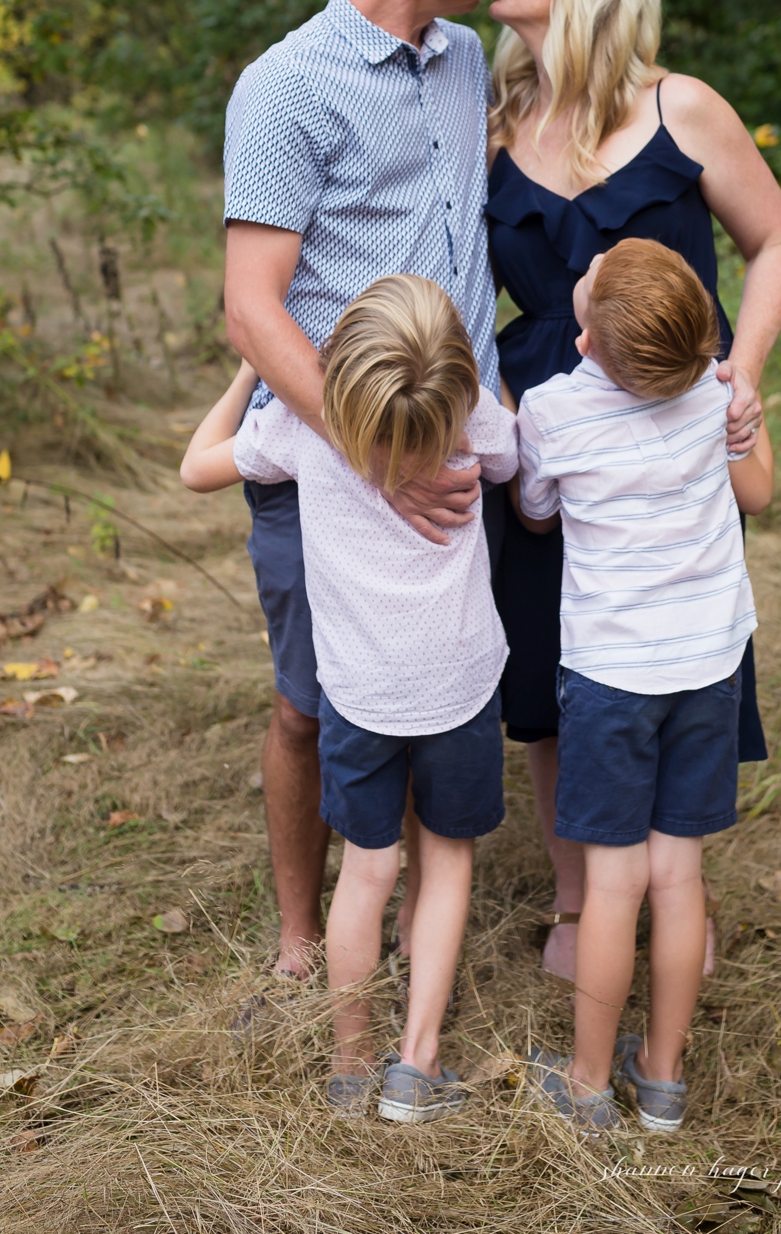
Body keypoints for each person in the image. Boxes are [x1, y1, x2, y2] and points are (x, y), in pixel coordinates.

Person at [486, 0, 781, 979]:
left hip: (675, 430)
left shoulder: (684, 110)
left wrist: (742, 373)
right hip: (550, 430)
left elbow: (777, 240)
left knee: (675, 652)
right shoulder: (494, 121)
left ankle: (674, 886)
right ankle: (581, 893)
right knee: (550, 660)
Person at [221, 0, 511, 979]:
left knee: (433, 689)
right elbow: (253, 308)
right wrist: (374, 451)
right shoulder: (287, 87)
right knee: (308, 701)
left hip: (456, 445)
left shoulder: (465, 58)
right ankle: (304, 944)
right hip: (338, 458)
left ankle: (403, 914)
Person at [181, 275, 518, 1122]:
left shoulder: (302, 424)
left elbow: (196, 467)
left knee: (366, 875)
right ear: (456, 374)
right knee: (444, 863)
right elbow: (522, 457)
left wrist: (250, 368)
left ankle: (349, 1065)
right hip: (460, 689)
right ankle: (417, 1064)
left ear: (338, 367)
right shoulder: (469, 417)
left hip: (360, 700)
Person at [514, 241, 774, 1133]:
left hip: (613, 677)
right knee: (680, 878)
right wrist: (744, 408)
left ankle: (587, 1085)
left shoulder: (550, 409)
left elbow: (536, 510)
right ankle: (661, 1078)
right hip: (708, 667)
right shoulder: (714, 393)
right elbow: (762, 491)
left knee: (613, 883)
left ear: (584, 342)